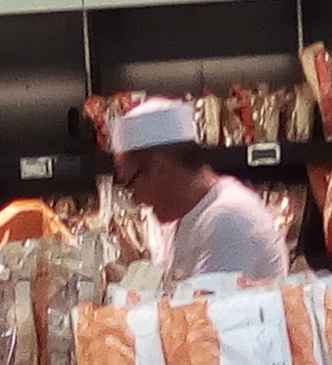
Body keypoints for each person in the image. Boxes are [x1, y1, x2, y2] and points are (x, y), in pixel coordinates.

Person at [108, 98, 289, 282]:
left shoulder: (228, 220)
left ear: (159, 168)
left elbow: (205, 300)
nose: (135, 200)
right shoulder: (185, 219)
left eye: (130, 184)